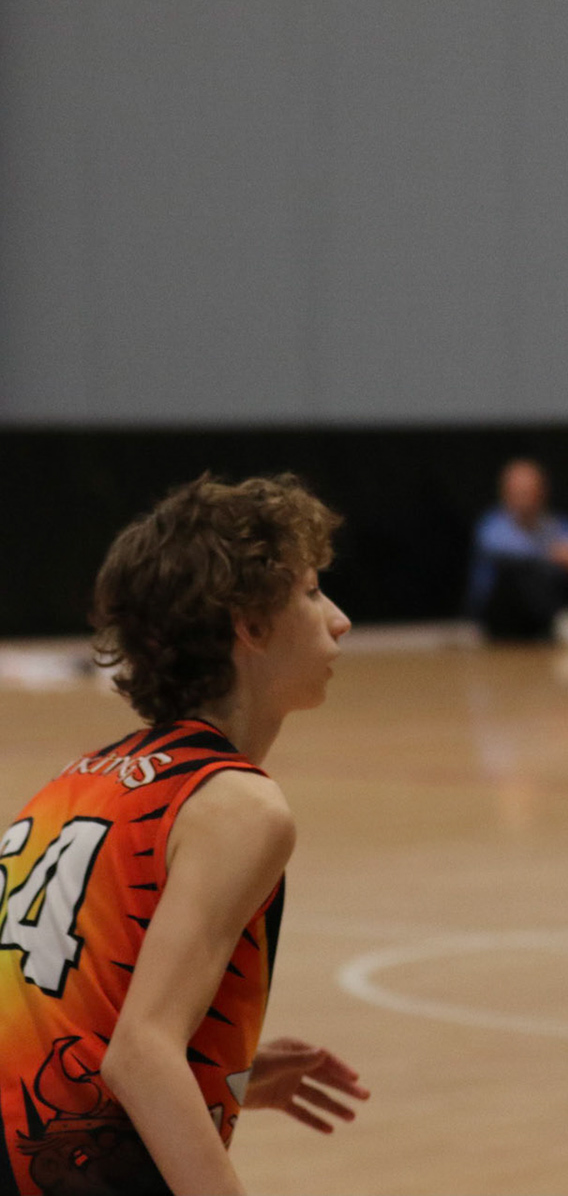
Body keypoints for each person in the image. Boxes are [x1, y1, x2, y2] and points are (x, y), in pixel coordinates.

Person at [0, 475, 368, 1196]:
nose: (340, 620)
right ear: (249, 626)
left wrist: (226, 1075)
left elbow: (69, 1021)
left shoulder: (81, 778)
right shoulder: (239, 804)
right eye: (311, 593)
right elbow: (139, 1055)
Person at [465, 457, 568, 641]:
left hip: (542, 612)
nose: (524, 499)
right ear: (504, 493)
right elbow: (502, 549)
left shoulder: (552, 524)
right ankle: (563, 622)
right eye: (519, 492)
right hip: (502, 614)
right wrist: (555, 553)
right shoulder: (492, 525)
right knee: (522, 570)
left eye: (529, 491)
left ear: (543, 492)